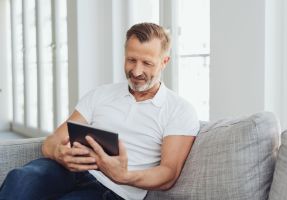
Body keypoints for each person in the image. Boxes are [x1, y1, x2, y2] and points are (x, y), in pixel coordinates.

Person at [0, 22, 200, 200]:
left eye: (147, 63)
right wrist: (57, 152)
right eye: (131, 60)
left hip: (115, 190)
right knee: (20, 179)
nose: (137, 71)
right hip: (69, 171)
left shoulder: (179, 110)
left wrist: (124, 176)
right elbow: (53, 140)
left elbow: (169, 173)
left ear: (164, 62)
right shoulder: (101, 94)